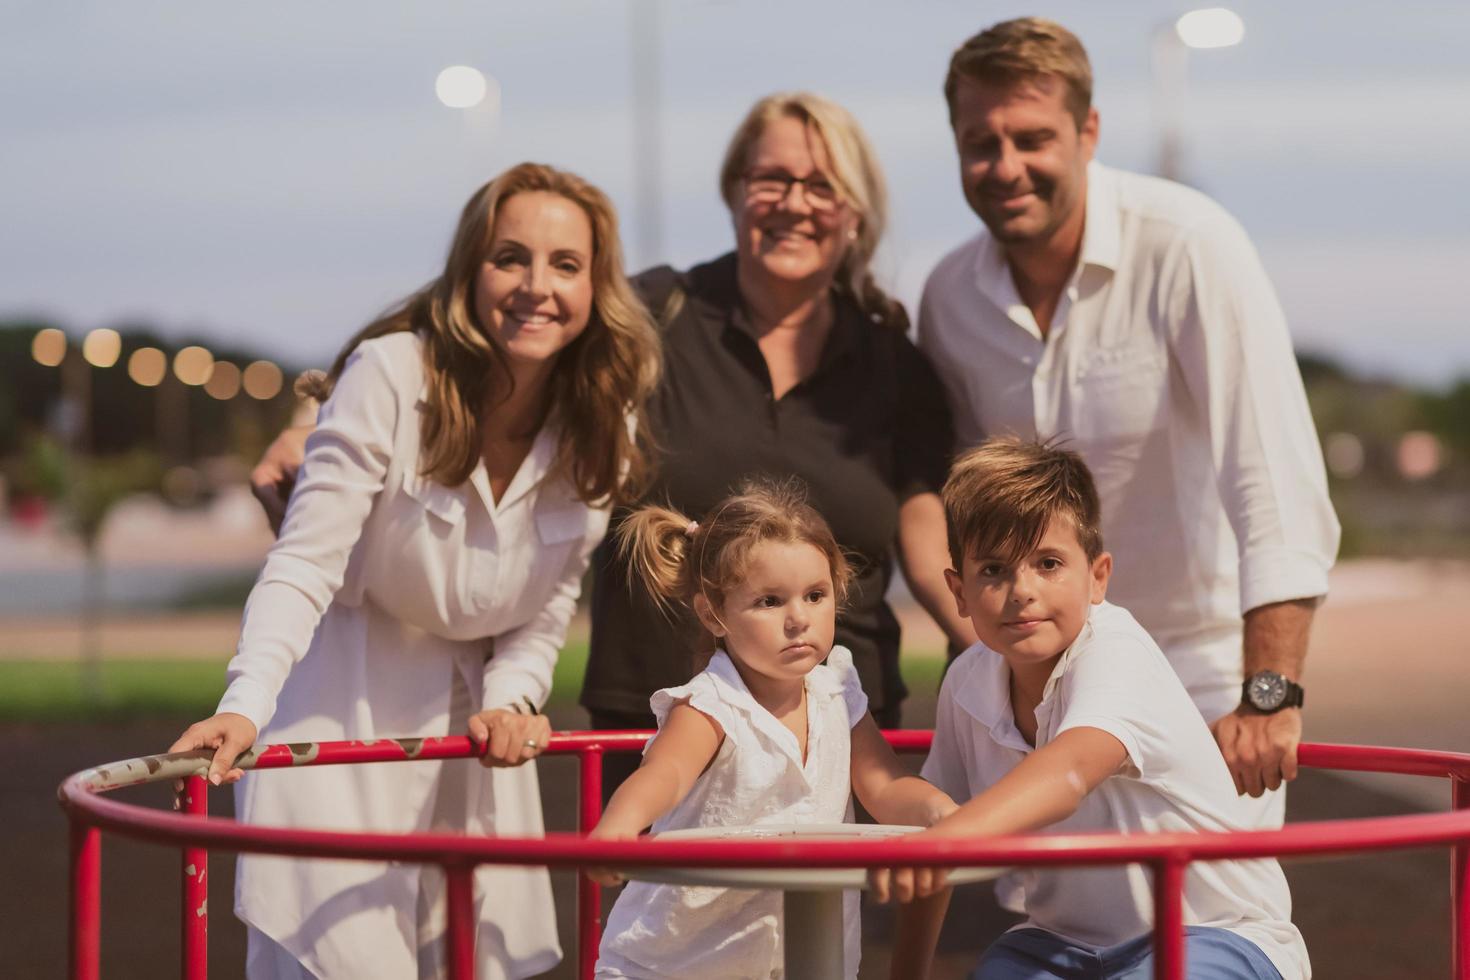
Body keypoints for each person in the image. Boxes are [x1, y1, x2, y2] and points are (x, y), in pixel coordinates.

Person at [249, 92, 970, 749]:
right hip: (656, 721)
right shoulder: (655, 317)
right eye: (771, 179)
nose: (793, 202)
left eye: (821, 185)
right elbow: (473, 325)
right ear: (735, 192)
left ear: (856, 211)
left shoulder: (893, 365)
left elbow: (923, 529)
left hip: (838, 723)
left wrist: (992, 645)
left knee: (830, 900)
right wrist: (313, 414)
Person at [168, 162, 661, 980]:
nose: (537, 285)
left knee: (476, 959)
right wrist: (245, 704)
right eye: (511, 257)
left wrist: (513, 701)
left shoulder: (602, 416)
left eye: (566, 264)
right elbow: (304, 559)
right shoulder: (393, 373)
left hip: (471, 753)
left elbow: (546, 608)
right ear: (469, 270)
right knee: (340, 958)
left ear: (596, 287)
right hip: (340, 715)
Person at [916, 18, 1340, 807]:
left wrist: (1272, 693)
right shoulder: (948, 297)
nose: (1006, 166)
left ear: (1088, 131)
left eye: (1033, 138)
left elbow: (1273, 479)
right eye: (981, 143)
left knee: (1207, 924)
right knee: (1059, 923)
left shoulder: (1189, 245)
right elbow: (964, 508)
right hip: (1040, 679)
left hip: (1199, 677)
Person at [872, 439, 1308, 980]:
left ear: (1098, 576)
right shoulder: (967, 681)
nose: (1021, 590)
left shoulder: (1115, 650)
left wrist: (944, 842)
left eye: (1048, 563)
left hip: (1214, 930)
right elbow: (935, 837)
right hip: (1060, 941)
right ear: (958, 591)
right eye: (993, 570)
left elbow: (1071, 770)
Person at [588, 479, 958, 980]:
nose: (798, 619)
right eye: (769, 601)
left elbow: (884, 785)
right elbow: (665, 773)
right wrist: (617, 827)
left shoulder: (837, 693)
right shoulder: (713, 704)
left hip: (804, 959)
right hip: (679, 964)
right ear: (712, 614)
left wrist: (940, 810)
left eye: (815, 595)